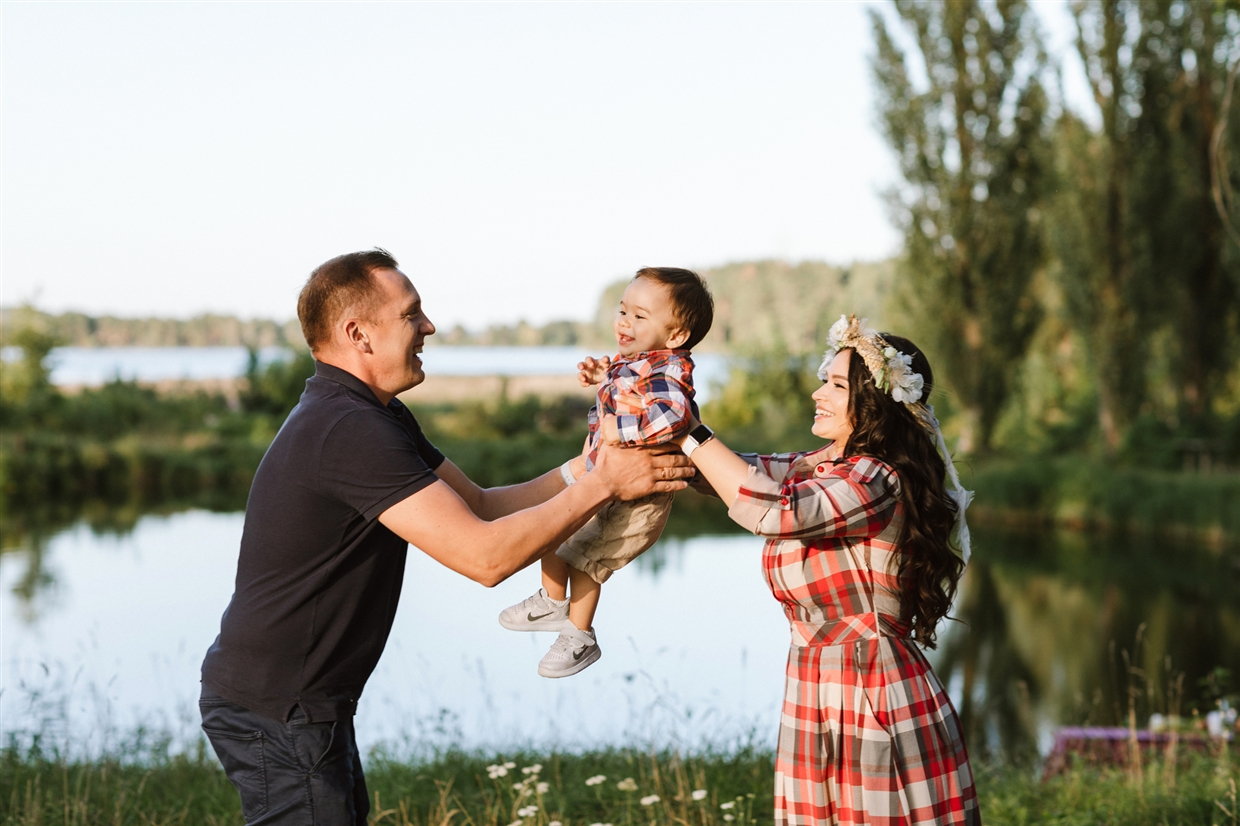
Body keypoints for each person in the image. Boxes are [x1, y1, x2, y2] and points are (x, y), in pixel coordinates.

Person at [199, 249, 691, 826]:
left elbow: (480, 506)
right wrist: (604, 485)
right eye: (412, 314)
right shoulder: (349, 429)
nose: (430, 327)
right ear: (359, 334)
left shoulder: (374, 414)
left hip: (303, 703)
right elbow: (483, 557)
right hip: (280, 707)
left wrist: (588, 469)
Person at [675, 315, 980, 825]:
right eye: (825, 379)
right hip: (816, 684)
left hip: (873, 688)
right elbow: (724, 474)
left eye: (836, 384)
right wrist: (653, 400)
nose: (818, 393)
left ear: (876, 401)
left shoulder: (875, 477)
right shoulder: (818, 466)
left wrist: (692, 431)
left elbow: (776, 510)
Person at [497, 267, 714, 678]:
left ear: (676, 336)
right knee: (551, 526)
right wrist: (603, 377)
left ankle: (579, 636)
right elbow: (625, 387)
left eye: (639, 316)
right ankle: (551, 601)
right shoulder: (637, 364)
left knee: (587, 561)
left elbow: (674, 416)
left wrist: (622, 428)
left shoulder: (668, 373)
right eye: (622, 310)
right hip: (605, 481)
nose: (624, 322)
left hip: (639, 497)